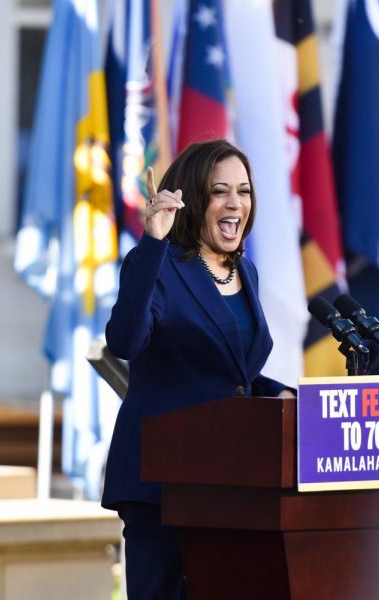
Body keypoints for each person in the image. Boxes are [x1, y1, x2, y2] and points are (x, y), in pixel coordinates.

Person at [101, 139, 295, 599]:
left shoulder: (244, 271)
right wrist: (153, 241)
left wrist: (283, 398)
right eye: (219, 191)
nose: (235, 204)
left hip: (227, 479)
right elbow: (125, 342)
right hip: (161, 479)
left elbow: (231, 372)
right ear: (191, 198)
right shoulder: (159, 265)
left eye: (244, 191)